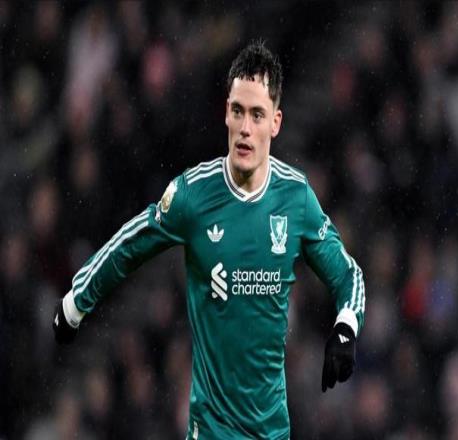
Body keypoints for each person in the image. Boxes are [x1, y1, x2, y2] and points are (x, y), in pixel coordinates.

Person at [53, 41, 366, 440]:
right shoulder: (194, 195)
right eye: (238, 111)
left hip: (272, 430)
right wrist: (76, 301)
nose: (245, 128)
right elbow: (130, 245)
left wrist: (346, 326)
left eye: (257, 114)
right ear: (226, 113)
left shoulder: (296, 197)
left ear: (276, 123)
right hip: (212, 429)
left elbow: (348, 275)